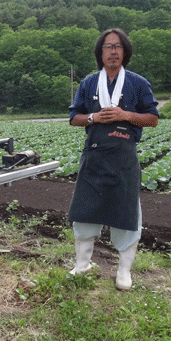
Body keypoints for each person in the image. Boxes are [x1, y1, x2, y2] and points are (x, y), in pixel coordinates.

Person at [67, 28, 159, 290]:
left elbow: (152, 118)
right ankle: (82, 266)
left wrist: (125, 115)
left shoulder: (138, 83)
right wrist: (94, 117)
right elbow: (74, 118)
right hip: (94, 154)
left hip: (124, 155)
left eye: (118, 46)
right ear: (100, 52)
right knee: (85, 211)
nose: (113, 51)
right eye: (108, 46)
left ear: (125, 51)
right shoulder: (88, 83)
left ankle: (123, 273)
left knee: (127, 212)